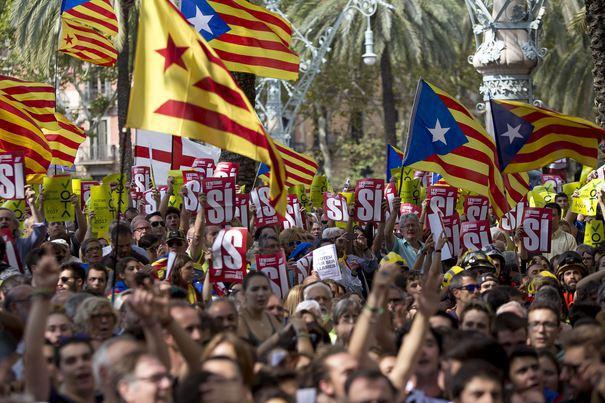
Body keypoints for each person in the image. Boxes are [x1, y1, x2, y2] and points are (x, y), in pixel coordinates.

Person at [237, 271, 281, 348]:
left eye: (265, 288)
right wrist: (276, 338)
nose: (261, 293)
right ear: (244, 294)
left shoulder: (270, 317)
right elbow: (245, 356)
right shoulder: (239, 320)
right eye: (255, 289)